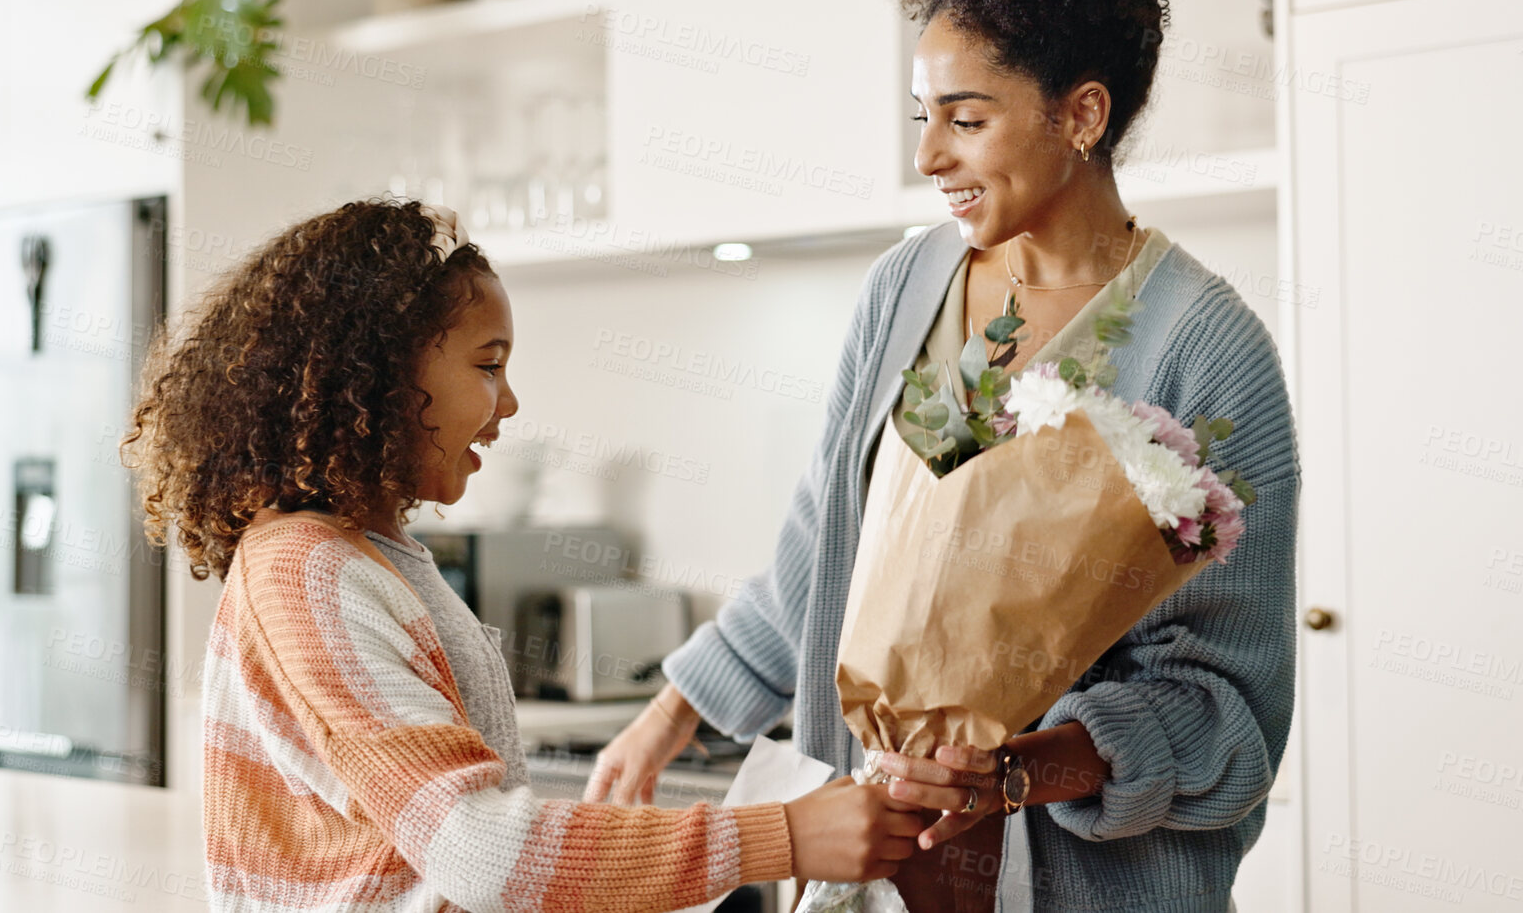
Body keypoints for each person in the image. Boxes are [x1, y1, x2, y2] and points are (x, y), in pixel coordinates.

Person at [584, 0, 1299, 910]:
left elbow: (1226, 713)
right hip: (876, 874)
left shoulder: (1205, 348)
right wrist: (670, 714)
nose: (928, 156)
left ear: (1082, 114)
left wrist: (1014, 769)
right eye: (926, 118)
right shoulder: (912, 287)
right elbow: (830, 546)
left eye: (966, 119)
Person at [124, 199, 928, 912]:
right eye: (486, 365)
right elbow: (481, 852)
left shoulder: (365, 559)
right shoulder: (306, 575)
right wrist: (781, 833)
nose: (508, 403)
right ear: (374, 373)